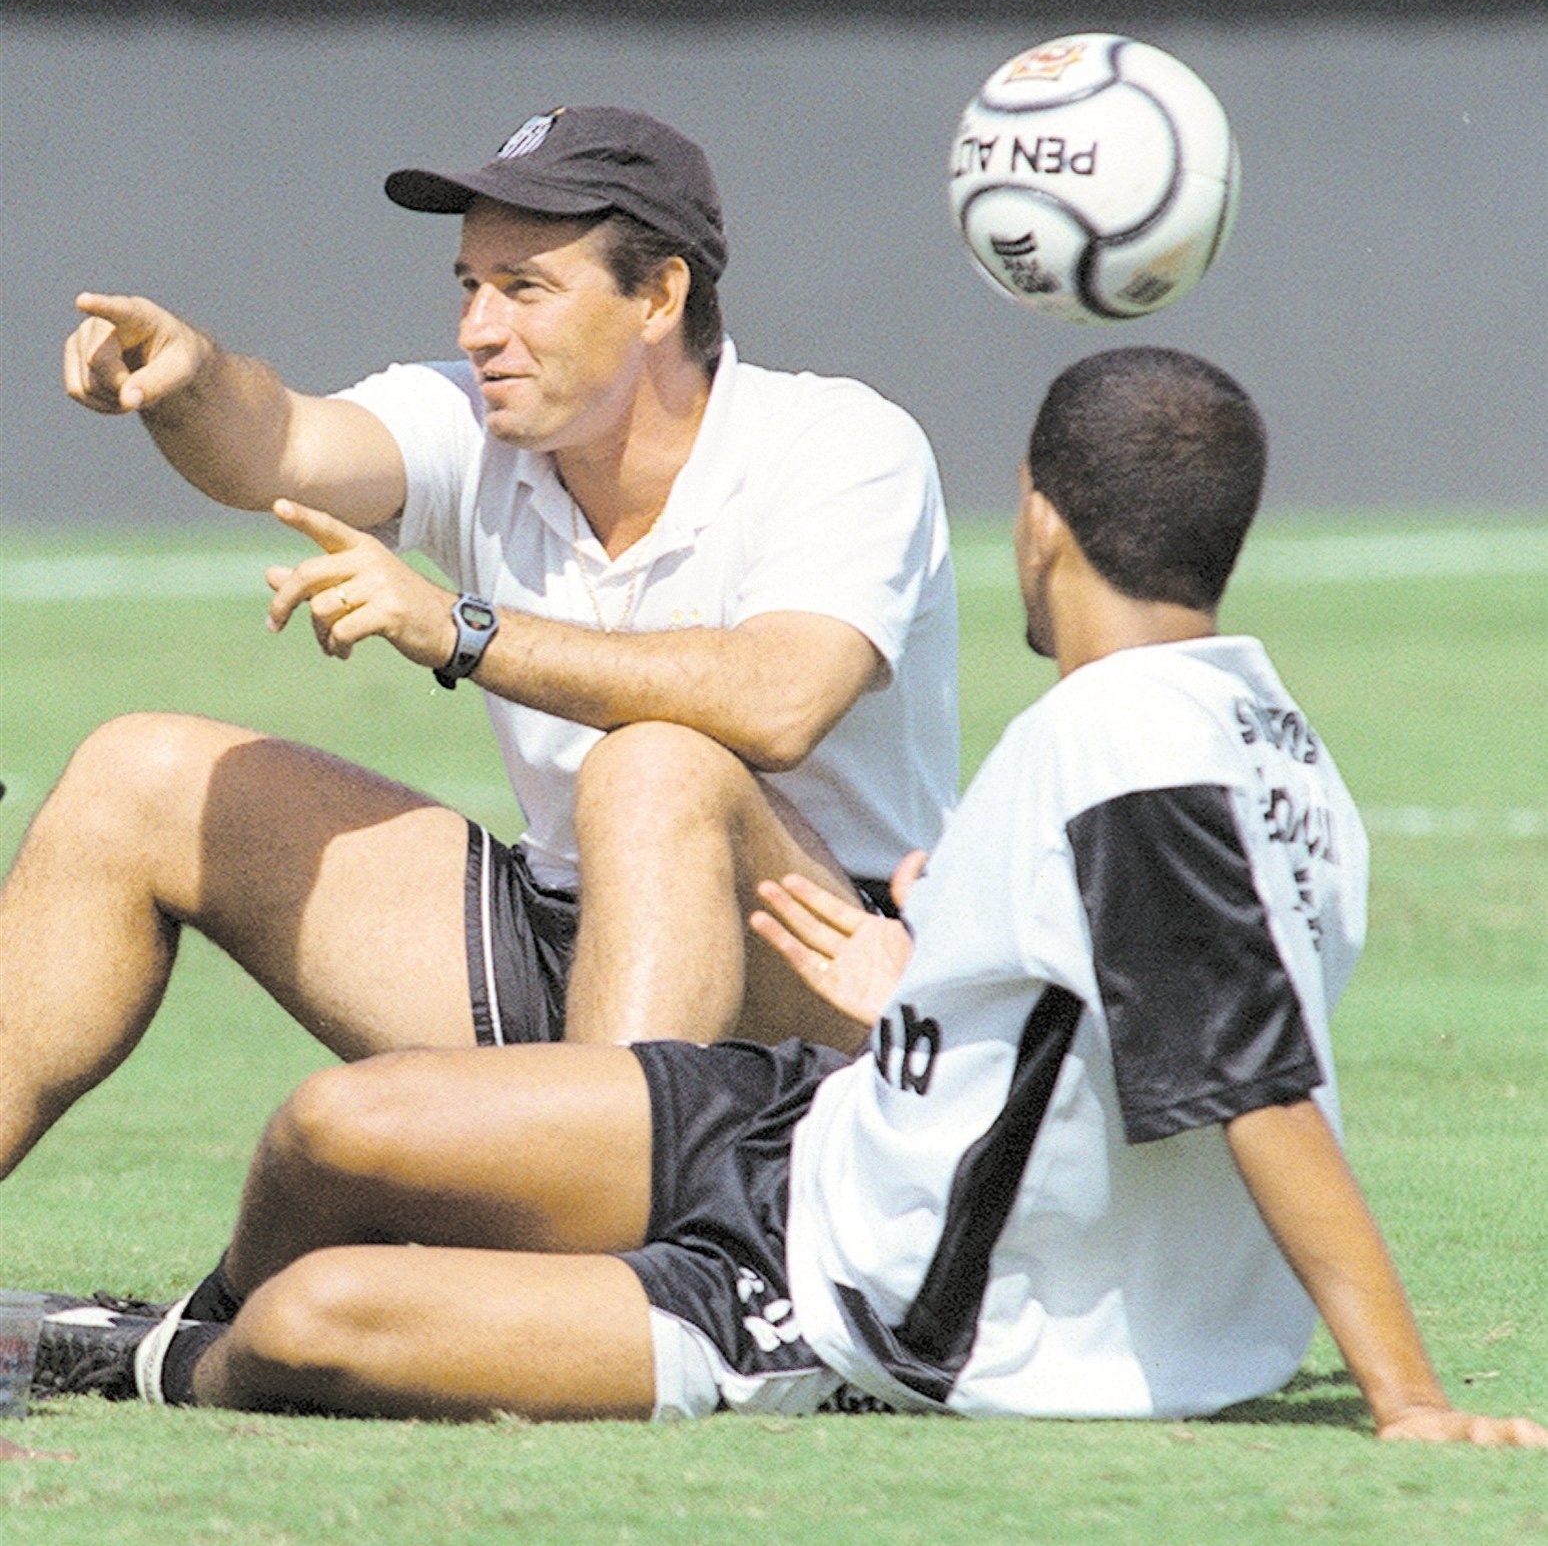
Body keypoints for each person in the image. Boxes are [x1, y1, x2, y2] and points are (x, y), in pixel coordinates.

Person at [30, 347, 1546, 1446]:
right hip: (814, 1126)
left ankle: (175, 1362)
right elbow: (1134, 1010)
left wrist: (1407, 1395)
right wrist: (934, 996)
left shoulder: (1129, 743)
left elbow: (1252, 1084)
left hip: (832, 1302)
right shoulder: (1266, 737)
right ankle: (191, 1316)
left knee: (319, 1323)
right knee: (334, 1127)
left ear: (1037, 519)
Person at [0, 106, 958, 1178]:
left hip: (820, 986)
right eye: (470, 284)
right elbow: (274, 441)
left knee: (656, 766)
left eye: (525, 288)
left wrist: (456, 625)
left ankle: (593, 1250)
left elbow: (781, 700)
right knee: (138, 773)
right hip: (555, 936)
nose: (478, 329)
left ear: (660, 295)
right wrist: (186, 378)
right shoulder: (470, 418)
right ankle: (573, 1176)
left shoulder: (839, 441)